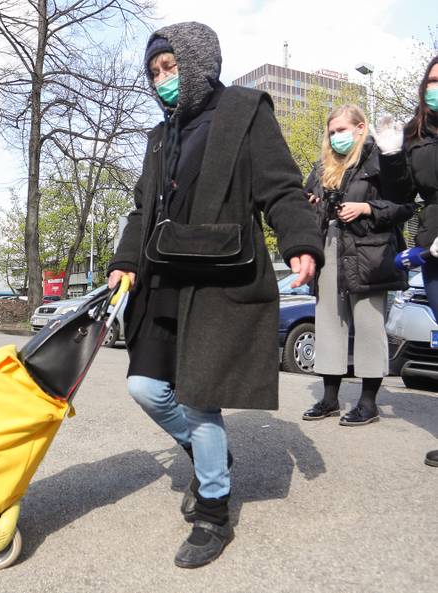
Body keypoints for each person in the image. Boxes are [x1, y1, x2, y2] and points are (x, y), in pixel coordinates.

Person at [107, 22, 323, 569]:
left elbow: (280, 186)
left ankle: (213, 512)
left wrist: (300, 240)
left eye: (170, 67)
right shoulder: (161, 135)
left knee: (201, 398)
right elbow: (141, 209)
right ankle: (212, 457)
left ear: (198, 62)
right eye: (155, 72)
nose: (162, 81)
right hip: (161, 279)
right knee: (145, 387)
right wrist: (124, 262)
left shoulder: (245, 111)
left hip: (217, 277)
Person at [301, 104, 413, 426]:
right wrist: (311, 203)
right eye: (332, 131)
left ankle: (368, 403)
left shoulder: (380, 160)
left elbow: (404, 206)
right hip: (330, 248)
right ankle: (329, 399)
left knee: (367, 326)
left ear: (361, 128)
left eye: (342, 130)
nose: (336, 137)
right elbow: (306, 202)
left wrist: (366, 207)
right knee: (329, 324)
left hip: (368, 252)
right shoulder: (323, 167)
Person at [376, 55, 438, 466]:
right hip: (433, 246)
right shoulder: (416, 134)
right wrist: (392, 155)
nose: (436, 87)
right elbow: (401, 196)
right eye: (432, 80)